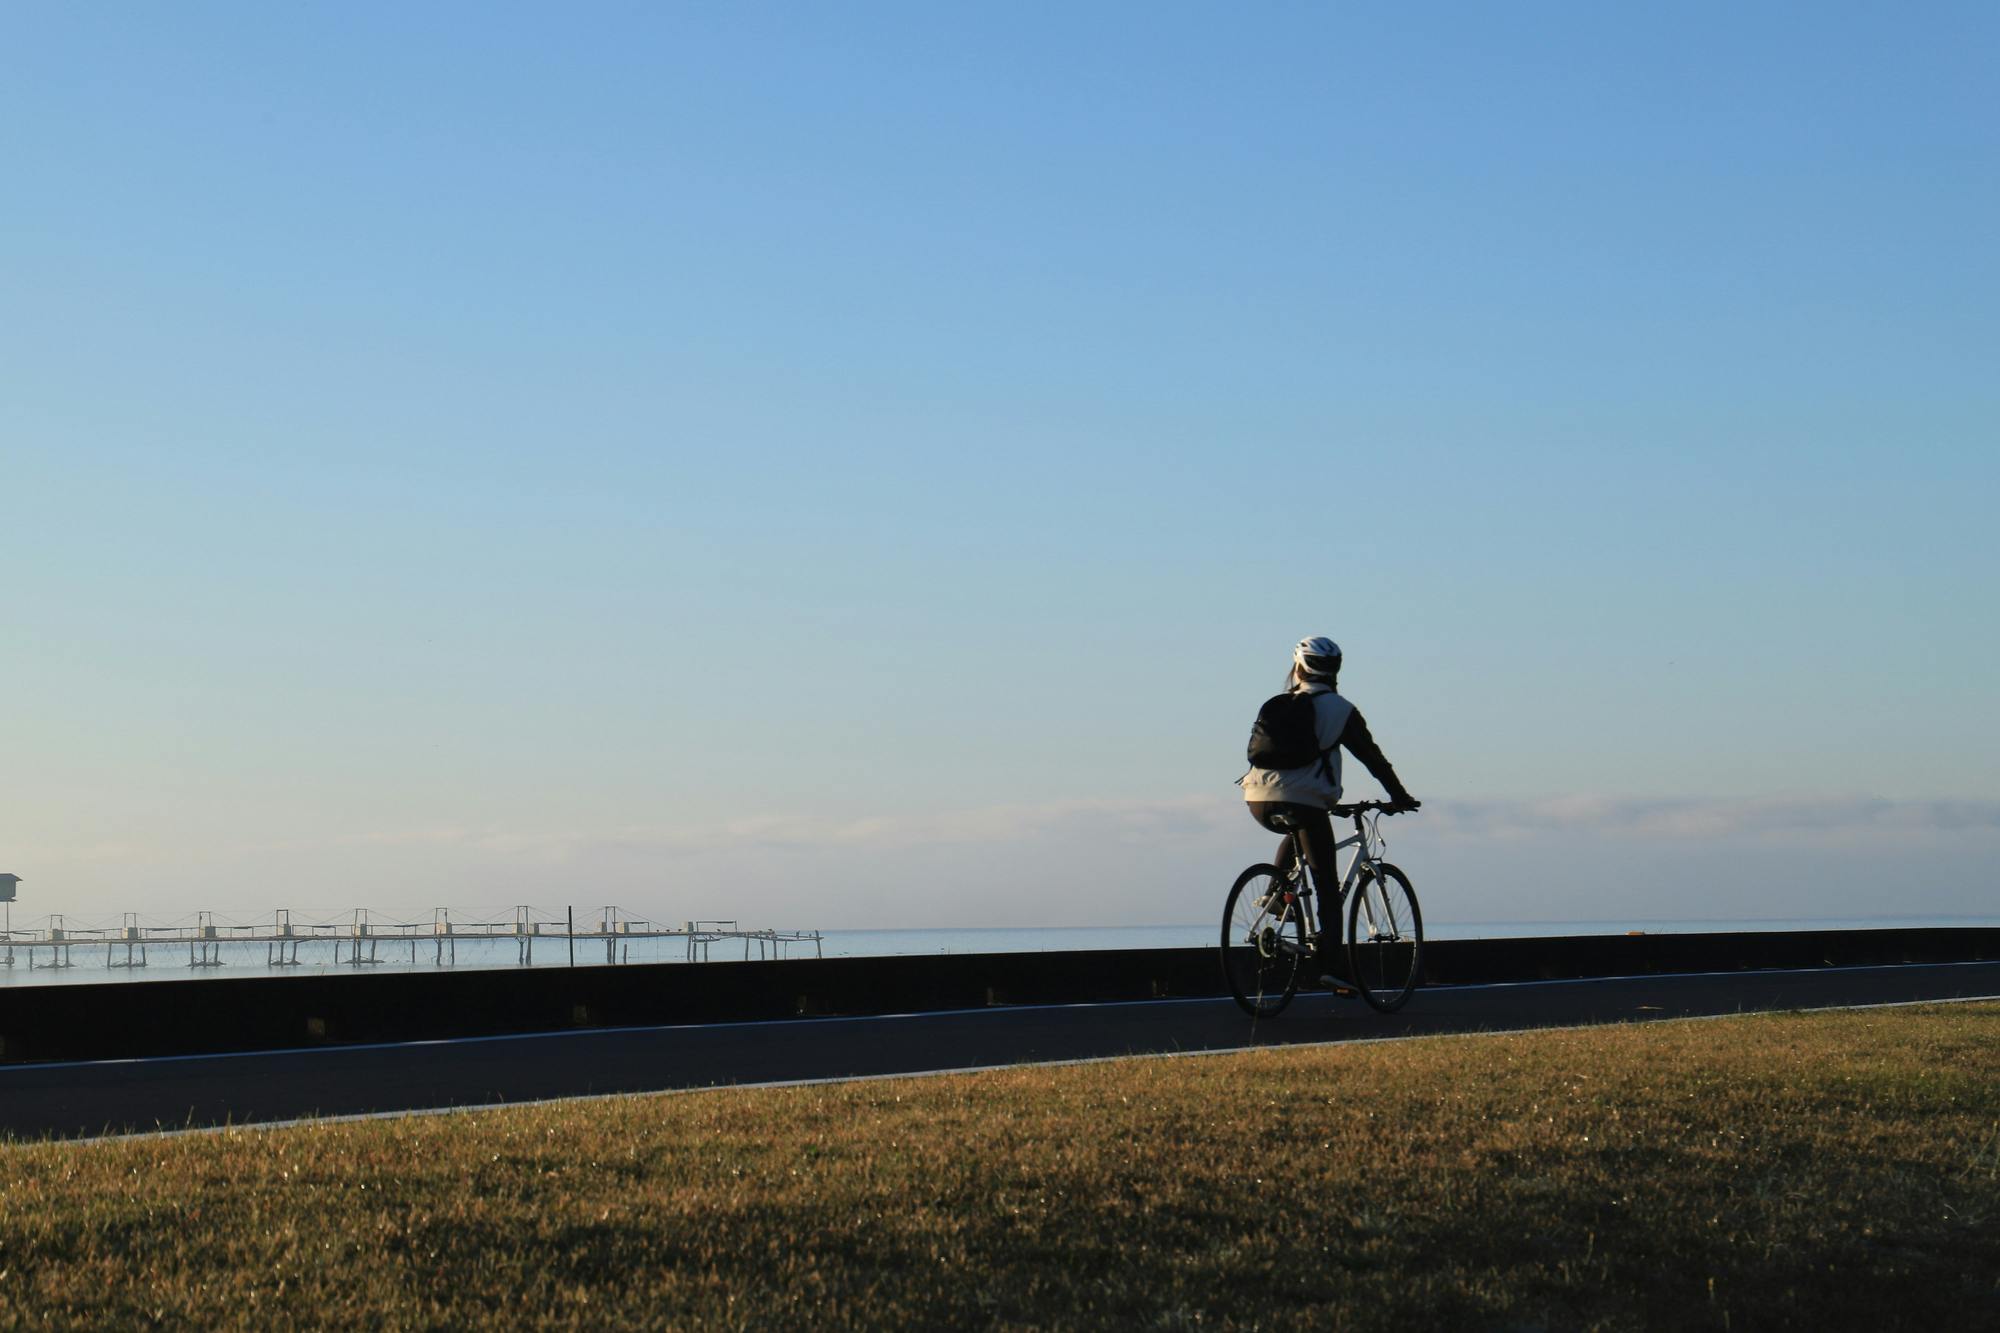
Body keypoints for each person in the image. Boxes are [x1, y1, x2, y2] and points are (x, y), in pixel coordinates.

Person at [1241, 636, 1419, 978]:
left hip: (1257, 799)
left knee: (1298, 832)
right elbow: (1373, 759)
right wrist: (1400, 796)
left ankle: (1275, 895)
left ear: (1298, 667)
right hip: (1305, 801)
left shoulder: (1278, 703)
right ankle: (1331, 966)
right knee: (1326, 882)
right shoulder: (1341, 710)